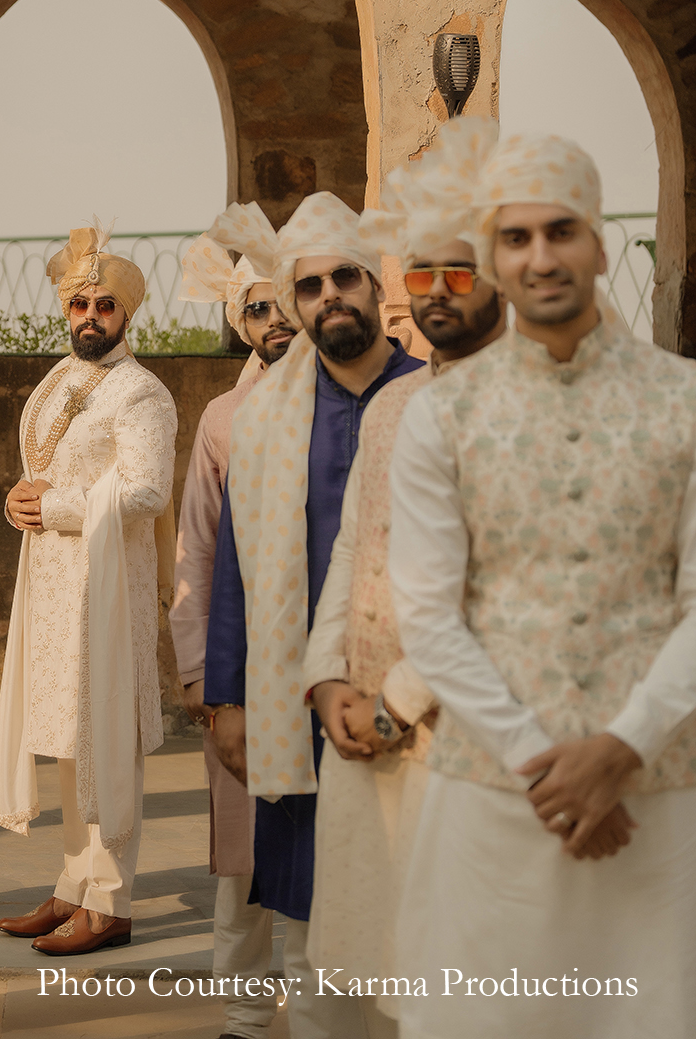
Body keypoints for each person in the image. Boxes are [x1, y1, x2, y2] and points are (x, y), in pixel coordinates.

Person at [390, 132, 696, 1039]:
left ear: (601, 244)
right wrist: (544, 767)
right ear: (492, 257)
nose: (540, 257)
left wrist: (622, 749)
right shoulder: (444, 413)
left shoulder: (684, 401)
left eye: (560, 232)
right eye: (515, 239)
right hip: (493, 792)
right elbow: (431, 619)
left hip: (657, 786)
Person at [204, 192, 422, 1039]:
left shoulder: (432, 395)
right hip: (295, 700)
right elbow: (236, 566)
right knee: (306, 911)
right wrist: (229, 695)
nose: (328, 295)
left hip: (416, 696)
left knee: (412, 911)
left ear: (375, 286)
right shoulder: (263, 418)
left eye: (344, 278)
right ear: (293, 304)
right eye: (310, 286)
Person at [302, 121, 506, 1029]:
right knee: (376, 975)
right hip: (362, 731)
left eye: (457, 273)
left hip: (461, 744)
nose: (434, 292)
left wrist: (395, 705)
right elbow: (354, 547)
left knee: (464, 981)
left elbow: (506, 592)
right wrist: (325, 682)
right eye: (419, 275)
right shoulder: (394, 404)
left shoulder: (527, 404)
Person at [0, 224, 177, 956]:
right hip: (54, 585)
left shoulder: (141, 392)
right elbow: (40, 470)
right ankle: (72, 886)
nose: (89, 317)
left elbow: (148, 489)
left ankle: (112, 902)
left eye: (103, 306)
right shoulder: (60, 379)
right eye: (79, 305)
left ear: (126, 316)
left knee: (105, 736)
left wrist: (56, 508)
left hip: (106, 587)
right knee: (67, 735)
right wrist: (17, 502)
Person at [170, 220, 294, 1039]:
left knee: (333, 851)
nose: (274, 319)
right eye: (256, 310)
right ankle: (248, 1019)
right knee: (245, 861)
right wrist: (199, 675)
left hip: (331, 668)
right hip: (245, 669)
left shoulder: (356, 396)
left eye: (286, 301)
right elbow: (197, 546)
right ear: (238, 323)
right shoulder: (222, 417)